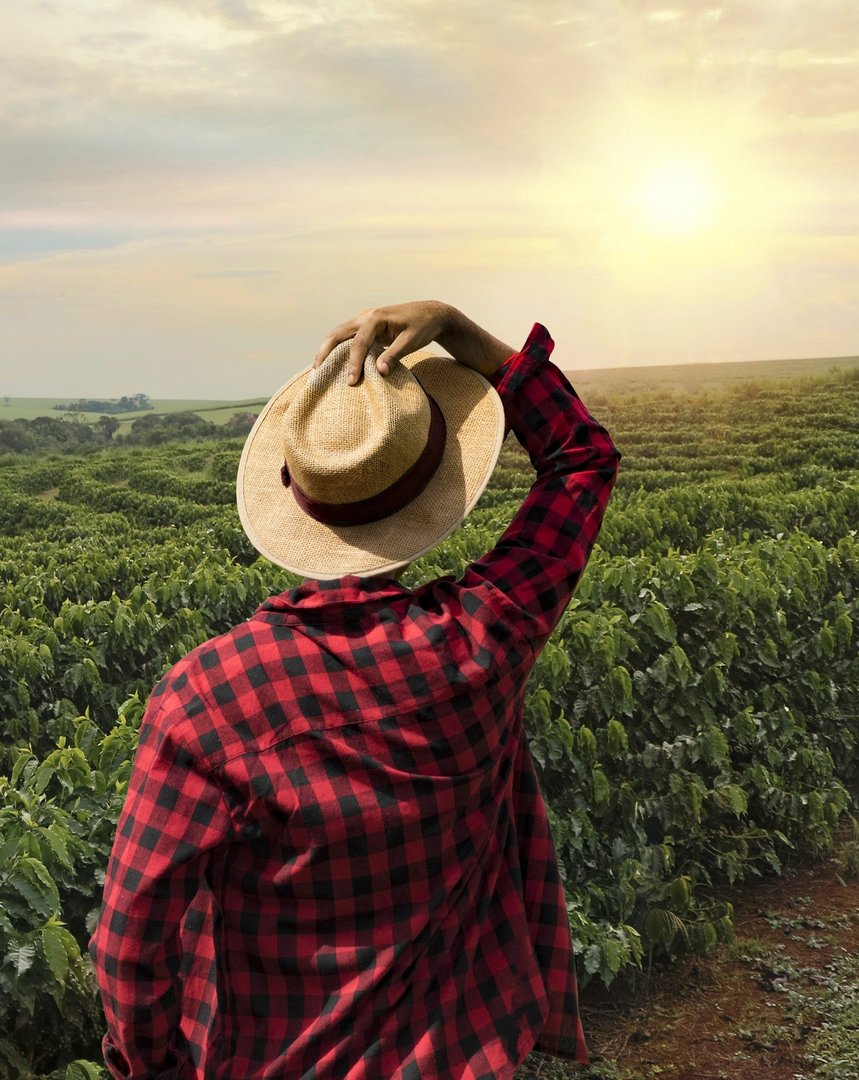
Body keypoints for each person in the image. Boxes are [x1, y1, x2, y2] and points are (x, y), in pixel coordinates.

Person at [91, 300, 621, 1078]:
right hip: (462, 1052)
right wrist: (457, 329)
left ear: (294, 491)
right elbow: (581, 459)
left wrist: (157, 1068)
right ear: (433, 490)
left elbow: (129, 946)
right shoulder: (483, 640)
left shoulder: (206, 699)